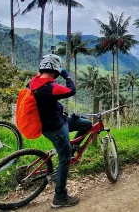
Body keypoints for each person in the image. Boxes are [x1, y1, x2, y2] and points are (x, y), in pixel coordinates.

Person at [28, 54, 92, 208]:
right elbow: (71, 90)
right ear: (56, 71)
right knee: (65, 160)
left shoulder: (32, 83)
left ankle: (72, 148)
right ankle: (60, 198)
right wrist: (67, 75)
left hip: (54, 123)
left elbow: (39, 79)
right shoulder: (52, 88)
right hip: (56, 128)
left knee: (86, 124)